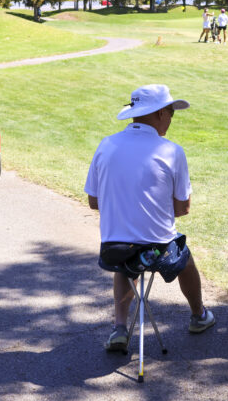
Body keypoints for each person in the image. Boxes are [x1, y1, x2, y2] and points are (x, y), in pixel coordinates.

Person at [85, 84, 216, 351]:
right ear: (157, 113)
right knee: (184, 257)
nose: (171, 119)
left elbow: (93, 201)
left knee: (126, 262)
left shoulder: (106, 145)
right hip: (161, 250)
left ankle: (120, 328)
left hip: (113, 248)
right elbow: (183, 209)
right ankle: (199, 315)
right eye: (170, 112)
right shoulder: (172, 151)